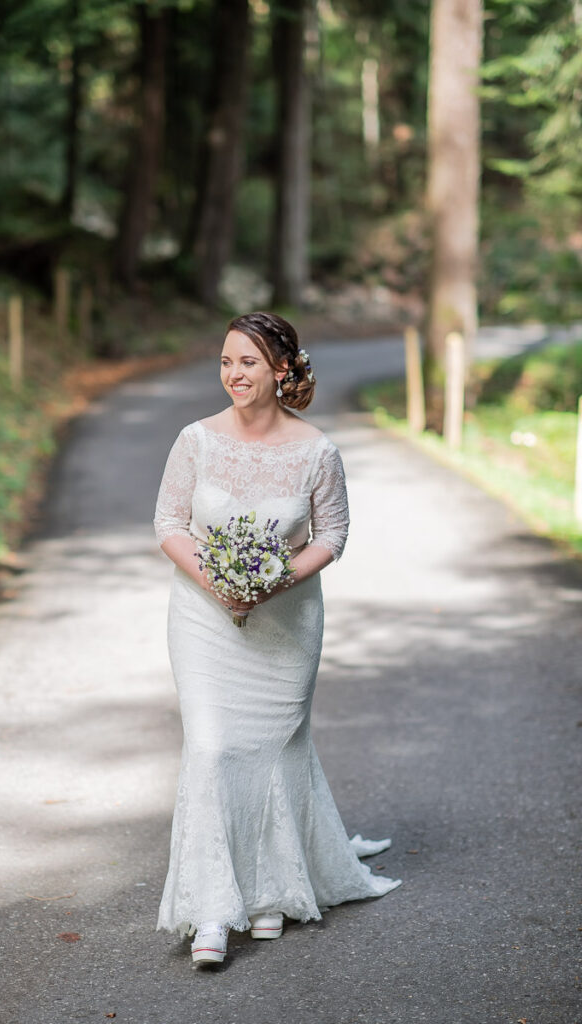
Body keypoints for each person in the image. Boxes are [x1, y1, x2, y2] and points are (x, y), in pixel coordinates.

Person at [153, 311, 401, 967]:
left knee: (270, 749)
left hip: (286, 621)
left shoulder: (316, 450)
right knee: (209, 747)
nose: (234, 374)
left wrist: (270, 582)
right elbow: (169, 523)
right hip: (203, 617)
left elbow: (332, 536)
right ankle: (210, 911)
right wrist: (218, 580)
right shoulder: (196, 441)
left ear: (281, 370)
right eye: (227, 361)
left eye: (249, 363)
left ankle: (268, 893)